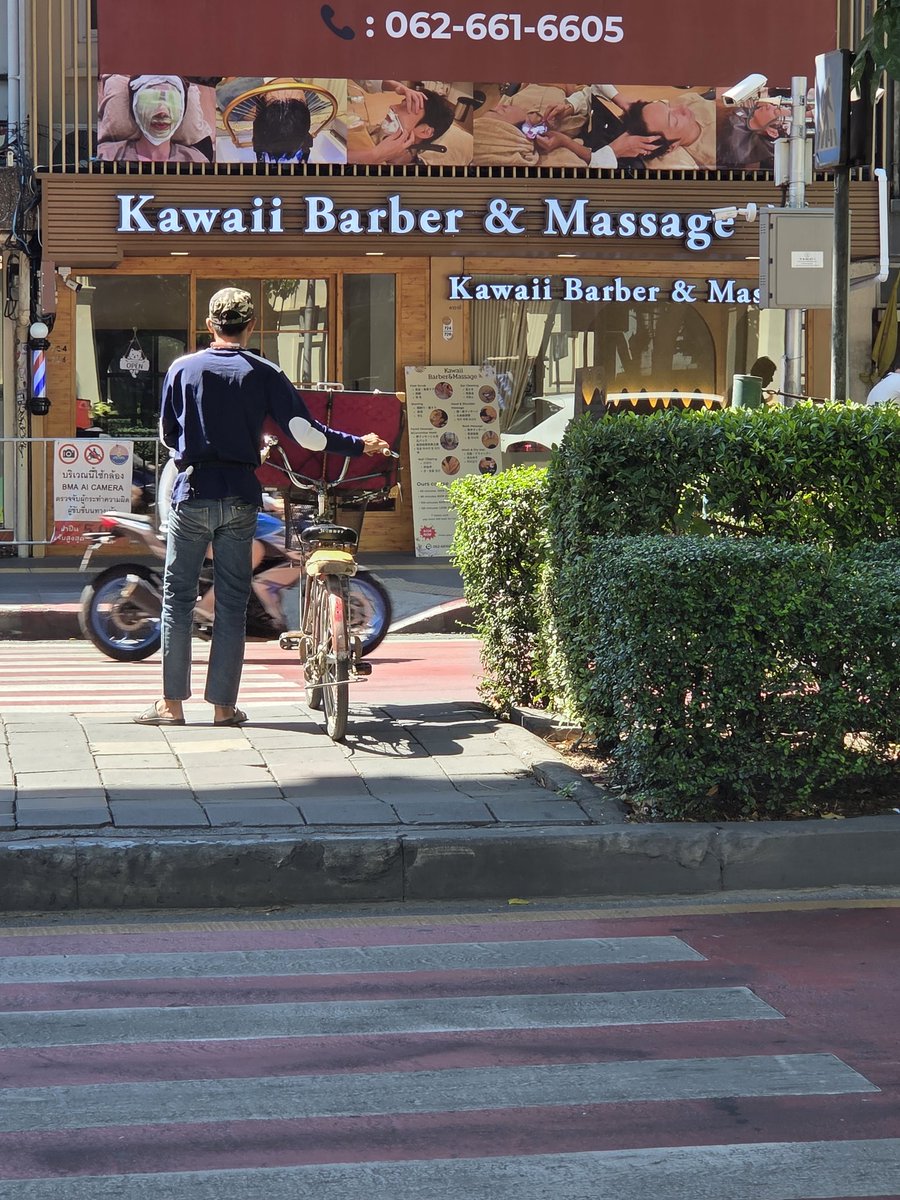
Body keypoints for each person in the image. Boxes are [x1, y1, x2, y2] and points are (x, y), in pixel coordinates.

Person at [134, 287, 390, 728]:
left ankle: (171, 706)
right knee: (233, 602)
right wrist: (359, 444)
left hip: (191, 495)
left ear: (210, 325)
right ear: (251, 327)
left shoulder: (181, 368)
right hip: (240, 497)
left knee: (176, 600)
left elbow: (166, 436)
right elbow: (305, 434)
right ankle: (223, 708)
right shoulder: (263, 372)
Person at [97, 75, 210, 163]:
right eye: (150, 100)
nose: (162, 112)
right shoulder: (106, 155)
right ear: (134, 108)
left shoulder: (196, 160)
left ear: (182, 111)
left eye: (172, 101)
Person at [348, 87, 454, 164]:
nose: (393, 106)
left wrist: (374, 156)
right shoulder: (371, 130)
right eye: (402, 103)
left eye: (407, 108)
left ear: (424, 132)